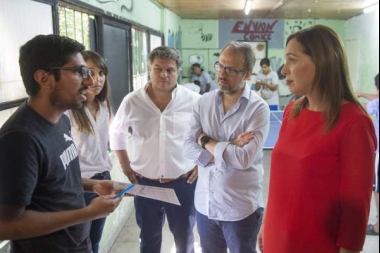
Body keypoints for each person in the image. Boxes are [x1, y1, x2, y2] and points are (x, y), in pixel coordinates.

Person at [258, 25, 377, 253]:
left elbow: (355, 208)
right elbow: (281, 182)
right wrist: (266, 224)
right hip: (277, 235)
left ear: (322, 62)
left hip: (315, 244)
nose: (284, 70)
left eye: (292, 60)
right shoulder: (292, 111)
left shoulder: (354, 123)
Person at [0, 34, 122, 253]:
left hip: (76, 244)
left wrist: (91, 185)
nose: (90, 81)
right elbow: (6, 225)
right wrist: (88, 213)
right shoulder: (20, 139)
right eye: (79, 72)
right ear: (44, 78)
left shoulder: (61, 120)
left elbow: (55, 180)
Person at [109, 46, 201, 253]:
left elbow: (208, 132)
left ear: (178, 71)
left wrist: (201, 162)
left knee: (184, 238)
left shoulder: (194, 100)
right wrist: (124, 165)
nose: (164, 74)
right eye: (157, 69)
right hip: (145, 182)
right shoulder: (132, 101)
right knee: (148, 239)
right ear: (149, 69)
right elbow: (117, 133)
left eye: (170, 70)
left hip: (182, 183)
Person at [183, 41, 270, 253]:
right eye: (220, 66)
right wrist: (229, 147)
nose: (222, 74)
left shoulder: (258, 109)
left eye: (230, 69)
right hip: (206, 205)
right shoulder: (203, 103)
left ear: (247, 74)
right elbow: (186, 146)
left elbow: (243, 159)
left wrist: (205, 141)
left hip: (240, 210)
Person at [67, 50, 114, 253]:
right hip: (80, 185)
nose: (97, 79)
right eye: (90, 72)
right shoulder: (69, 111)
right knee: (78, 244)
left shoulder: (104, 107)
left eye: (101, 73)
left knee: (95, 241)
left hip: (103, 179)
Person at [358, 74, 379, 236]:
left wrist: (350, 97)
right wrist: (361, 92)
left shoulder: (376, 104)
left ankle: (379, 225)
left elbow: (365, 107)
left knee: (377, 189)